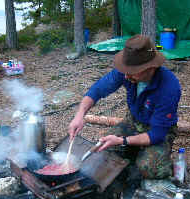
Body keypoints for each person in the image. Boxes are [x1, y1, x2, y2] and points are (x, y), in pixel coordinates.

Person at [68, 34, 181, 179]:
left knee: (150, 168)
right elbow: (97, 90)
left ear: (151, 67)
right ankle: (134, 152)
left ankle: (159, 162)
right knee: (104, 150)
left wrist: (123, 141)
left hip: (158, 131)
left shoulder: (169, 88)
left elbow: (157, 134)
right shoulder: (127, 73)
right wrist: (79, 115)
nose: (126, 76)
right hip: (133, 122)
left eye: (132, 72)